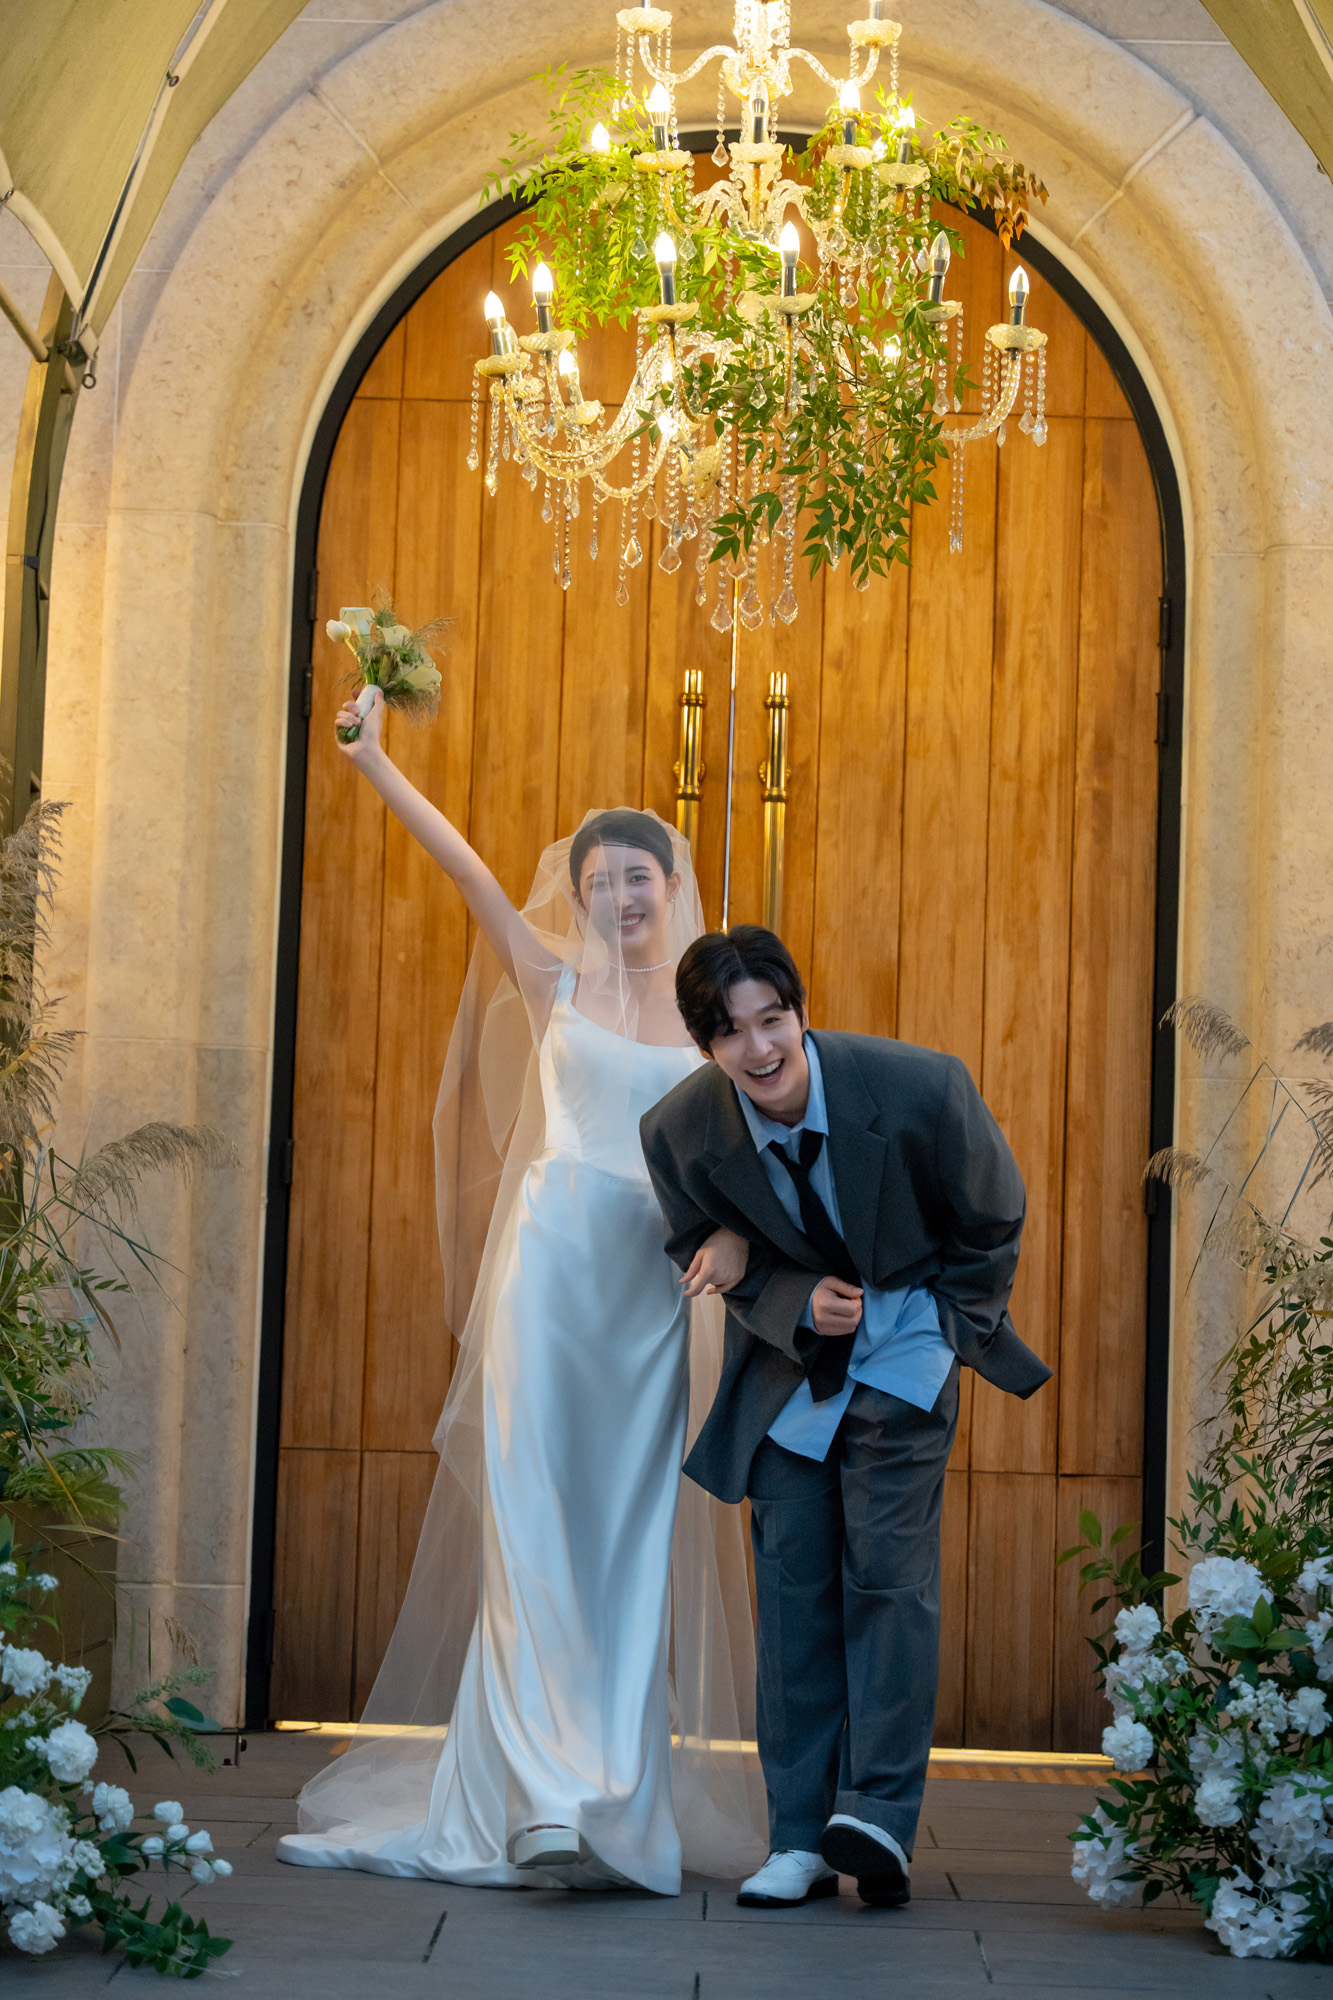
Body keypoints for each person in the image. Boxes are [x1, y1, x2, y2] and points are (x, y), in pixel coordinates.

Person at [276, 691, 765, 1894]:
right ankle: (539, 1801)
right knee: (535, 1529)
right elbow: (466, 869)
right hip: (548, 1280)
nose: (622, 894)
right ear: (580, 894)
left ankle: (613, 1801)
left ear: (671, 885)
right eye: (601, 880)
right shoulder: (549, 977)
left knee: (626, 1544)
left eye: (639, 875)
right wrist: (374, 761)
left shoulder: (713, 1019)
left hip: (651, 1300)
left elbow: (749, 1157)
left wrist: (733, 1241)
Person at [639, 925, 1050, 1911]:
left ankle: (875, 1820)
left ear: (799, 1012)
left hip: (906, 1346)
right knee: (792, 1595)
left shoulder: (919, 1087)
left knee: (886, 1578)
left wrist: (943, 1328)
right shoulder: (678, 1130)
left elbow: (992, 1215)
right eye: (730, 1033)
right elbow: (699, 1244)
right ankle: (796, 1837)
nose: (759, 1050)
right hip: (788, 1372)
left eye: (771, 1020)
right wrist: (787, 1297)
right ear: (704, 1045)